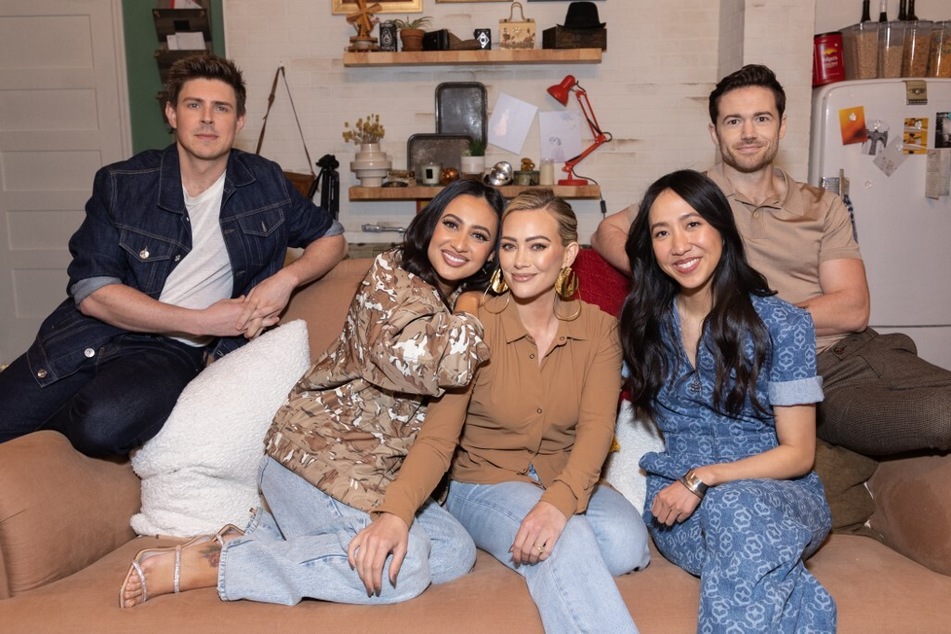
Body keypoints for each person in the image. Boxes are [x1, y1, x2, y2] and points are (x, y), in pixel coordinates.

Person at [119, 178, 505, 608]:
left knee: (454, 552)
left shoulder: (447, 302)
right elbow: (438, 365)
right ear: (431, 225)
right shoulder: (391, 278)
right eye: (452, 224)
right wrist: (472, 306)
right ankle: (219, 564)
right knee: (409, 564)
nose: (460, 243)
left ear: (491, 253)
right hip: (313, 461)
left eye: (479, 235)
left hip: (373, 482)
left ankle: (257, 536)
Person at [592, 64, 951, 457]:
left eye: (761, 118)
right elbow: (606, 232)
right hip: (805, 373)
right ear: (715, 133)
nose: (748, 133)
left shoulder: (822, 205)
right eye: (734, 121)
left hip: (865, 351)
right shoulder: (692, 203)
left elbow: (852, 308)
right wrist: (667, 272)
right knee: (941, 417)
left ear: (781, 126)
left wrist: (758, 317)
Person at [0, 53, 347, 458]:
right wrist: (201, 320)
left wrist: (285, 279)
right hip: (88, 335)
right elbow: (93, 291)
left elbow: (332, 237)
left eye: (221, 108)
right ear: (171, 114)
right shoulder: (122, 183)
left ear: (239, 122)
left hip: (170, 351)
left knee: (101, 426)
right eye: (193, 105)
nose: (207, 119)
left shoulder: (265, 181)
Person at [353, 190, 650, 633]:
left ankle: (523, 536)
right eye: (509, 246)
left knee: (628, 546)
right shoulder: (476, 325)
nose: (520, 261)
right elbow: (438, 438)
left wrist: (557, 501)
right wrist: (395, 512)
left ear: (568, 255)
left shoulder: (601, 330)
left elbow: (595, 431)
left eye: (537, 246)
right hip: (483, 482)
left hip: (560, 473)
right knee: (567, 538)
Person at [620, 169, 835, 631]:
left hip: (783, 500)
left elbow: (799, 454)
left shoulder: (785, 324)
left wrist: (707, 477)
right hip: (678, 512)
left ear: (722, 228)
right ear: (650, 248)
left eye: (693, 223)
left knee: (732, 505)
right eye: (662, 232)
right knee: (733, 524)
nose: (679, 245)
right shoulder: (643, 326)